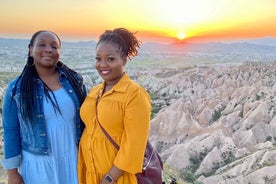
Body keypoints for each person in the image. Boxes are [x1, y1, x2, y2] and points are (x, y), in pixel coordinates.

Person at [1, 30, 86, 184]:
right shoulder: (17, 88)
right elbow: (11, 131)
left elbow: (87, 121)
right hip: (37, 165)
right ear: (30, 49)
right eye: (42, 45)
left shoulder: (75, 81)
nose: (49, 50)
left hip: (74, 159)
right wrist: (12, 173)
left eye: (54, 46)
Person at [78, 28, 151, 184]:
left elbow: (134, 145)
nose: (102, 65)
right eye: (98, 59)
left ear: (124, 60)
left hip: (117, 177)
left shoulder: (134, 94)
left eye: (110, 59)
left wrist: (110, 178)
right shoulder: (95, 91)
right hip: (88, 171)